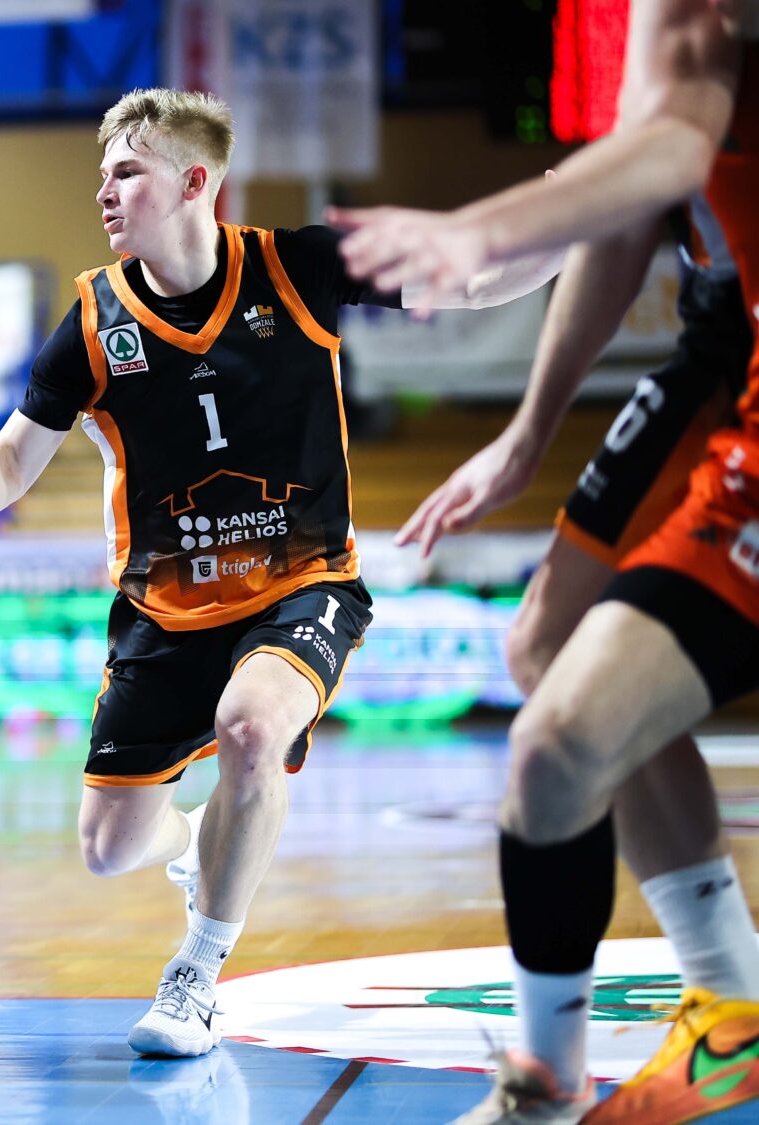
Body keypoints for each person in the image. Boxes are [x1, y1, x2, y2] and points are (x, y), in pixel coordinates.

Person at [0, 86, 559, 1060]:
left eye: (127, 172)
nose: (104, 192)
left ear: (194, 182)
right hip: (164, 609)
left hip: (299, 584)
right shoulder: (93, 322)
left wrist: (575, 221)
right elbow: (8, 464)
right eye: (101, 175)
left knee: (251, 729)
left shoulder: (297, 266)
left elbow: (475, 284)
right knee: (109, 848)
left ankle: (195, 977)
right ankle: (195, 838)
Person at [334, 2, 759, 1120]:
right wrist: (526, 433)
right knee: (548, 654)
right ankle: (726, 1005)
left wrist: (479, 232)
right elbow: (633, 193)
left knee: (559, 738)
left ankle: (635, 1042)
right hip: (727, 345)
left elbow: (668, 146)